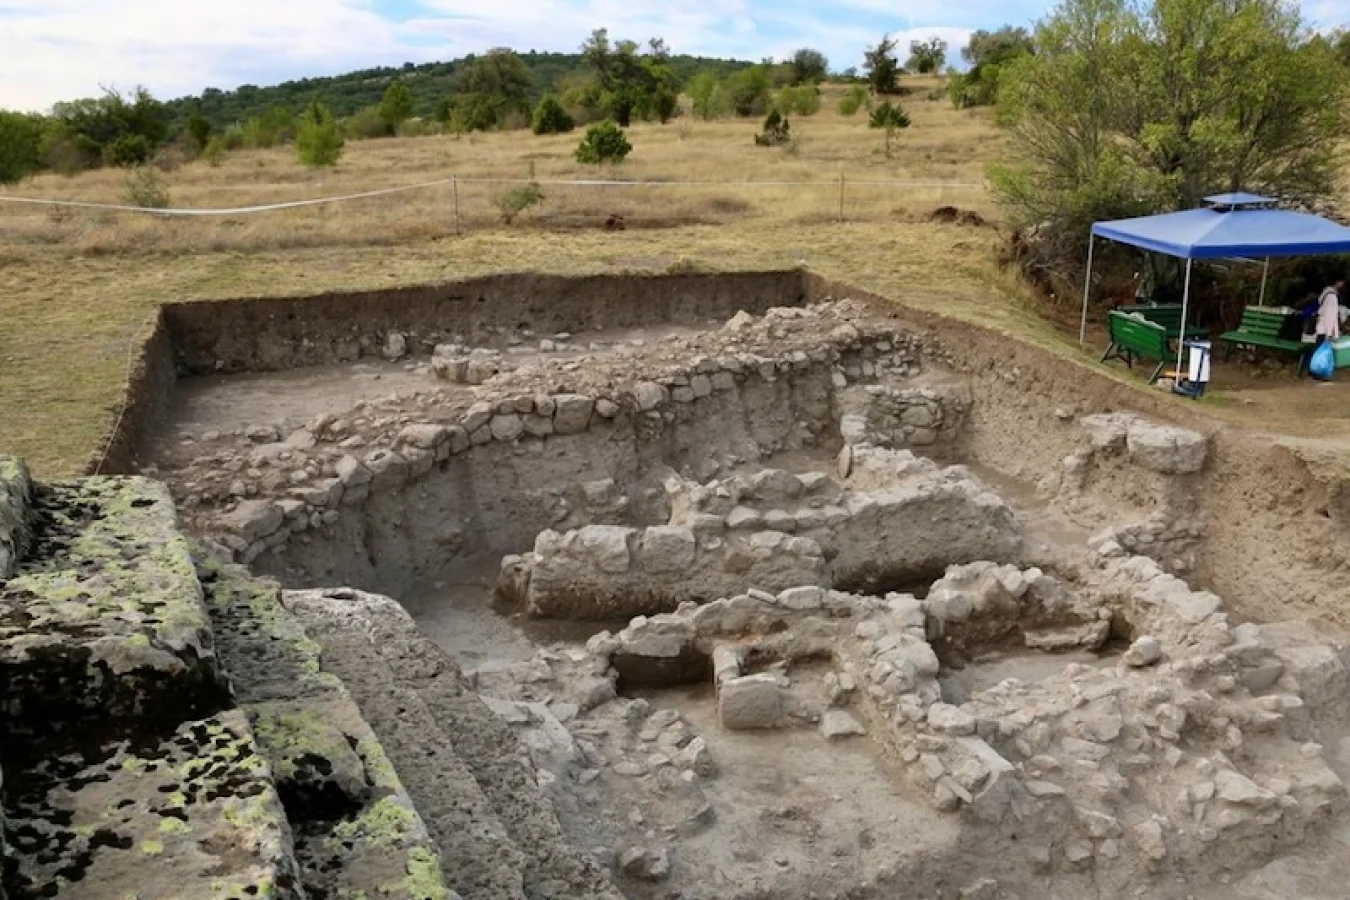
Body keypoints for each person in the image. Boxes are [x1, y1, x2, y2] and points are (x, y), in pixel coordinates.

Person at [1315, 278, 1342, 345]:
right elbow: (1330, 316)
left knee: (1318, 348)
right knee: (1321, 350)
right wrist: (1329, 333)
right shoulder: (1332, 297)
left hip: (1321, 327)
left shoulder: (1326, 294)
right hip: (1326, 330)